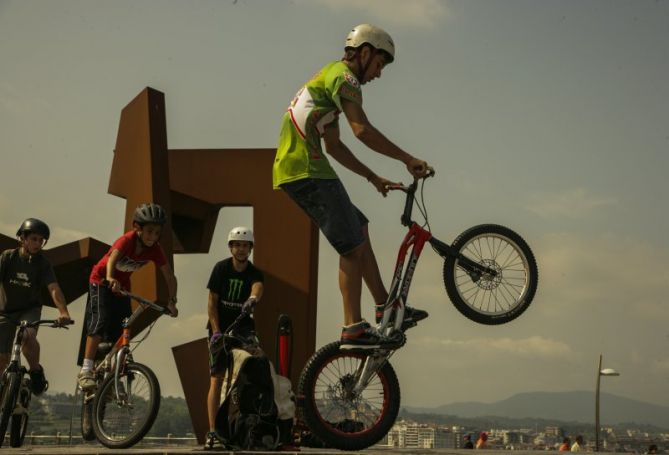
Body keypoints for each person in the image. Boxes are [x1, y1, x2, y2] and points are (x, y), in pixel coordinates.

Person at [273, 23, 431, 349]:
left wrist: (372, 178)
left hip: (305, 168)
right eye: (379, 64)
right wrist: (406, 158)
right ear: (364, 52)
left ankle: (385, 305)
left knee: (359, 227)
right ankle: (352, 326)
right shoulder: (344, 79)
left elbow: (336, 146)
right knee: (351, 245)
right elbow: (362, 130)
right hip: (305, 170)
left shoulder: (328, 80)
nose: (379, 74)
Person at [77, 203, 178, 390]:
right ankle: (86, 370)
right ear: (137, 228)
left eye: (157, 233)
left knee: (123, 330)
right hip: (101, 280)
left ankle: (111, 378)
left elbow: (170, 276)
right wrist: (110, 277)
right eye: (149, 231)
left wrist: (171, 301)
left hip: (122, 286)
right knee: (100, 320)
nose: (152, 237)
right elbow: (113, 259)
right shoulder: (127, 240)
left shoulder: (155, 249)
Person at [204, 226, 264, 448]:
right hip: (220, 328)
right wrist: (216, 331)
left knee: (254, 366)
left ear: (250, 249)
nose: (241, 249)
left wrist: (253, 299)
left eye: (245, 245)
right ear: (231, 247)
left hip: (243, 329)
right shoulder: (221, 269)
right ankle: (212, 432)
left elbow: (258, 287)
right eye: (237, 245)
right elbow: (212, 302)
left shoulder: (254, 273)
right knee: (216, 379)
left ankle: (247, 427)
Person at [0, 218, 71, 395]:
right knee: (2, 360)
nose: (38, 244)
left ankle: (35, 371)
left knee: (28, 335)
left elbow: (54, 288)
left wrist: (64, 312)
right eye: (34, 239)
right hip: (5, 310)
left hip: (29, 310)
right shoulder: (8, 257)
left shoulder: (43, 263)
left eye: (41, 240)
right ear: (23, 238)